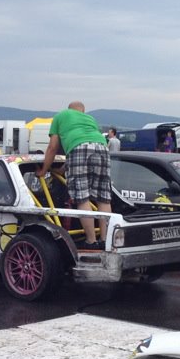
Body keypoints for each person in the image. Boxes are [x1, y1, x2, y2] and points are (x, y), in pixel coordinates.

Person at [36, 101, 112, 249]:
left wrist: (43, 170)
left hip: (78, 147)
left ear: (69, 109)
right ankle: (105, 240)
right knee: (103, 197)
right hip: (102, 148)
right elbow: (85, 149)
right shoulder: (89, 119)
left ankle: (91, 241)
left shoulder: (60, 116)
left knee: (82, 197)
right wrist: (62, 170)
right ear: (82, 111)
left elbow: (53, 147)